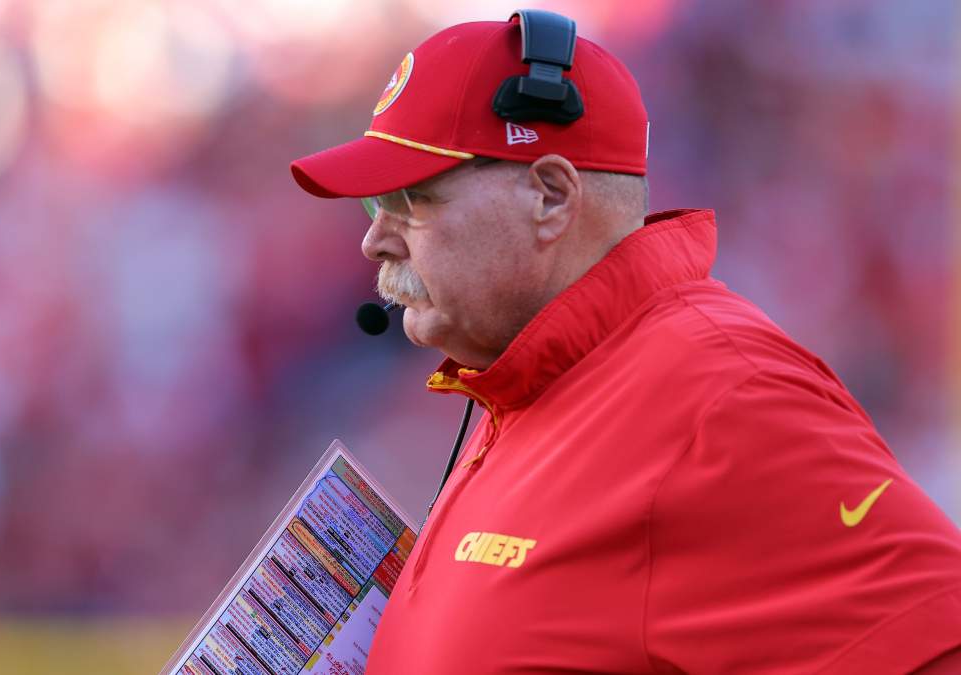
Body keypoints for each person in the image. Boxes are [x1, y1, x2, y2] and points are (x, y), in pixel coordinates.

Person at [290, 12, 961, 675]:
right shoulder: (529, 383)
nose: (374, 240)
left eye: (410, 200)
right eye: (375, 204)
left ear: (551, 197)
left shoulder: (722, 397)